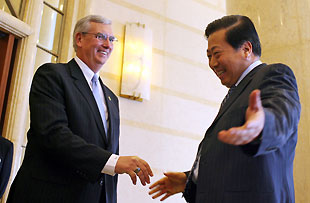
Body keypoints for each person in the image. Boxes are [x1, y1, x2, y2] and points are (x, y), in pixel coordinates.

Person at [149, 15, 301, 203]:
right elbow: (232, 163)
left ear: (246, 49)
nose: (212, 63)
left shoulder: (273, 74)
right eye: (208, 56)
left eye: (217, 53)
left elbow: (282, 115)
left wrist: (260, 125)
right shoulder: (236, 91)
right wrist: (193, 179)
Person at [7, 15, 153, 203]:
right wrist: (114, 162)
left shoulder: (111, 98)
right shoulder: (52, 76)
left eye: (111, 39)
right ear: (79, 39)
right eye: (100, 36)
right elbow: (54, 135)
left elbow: (108, 152)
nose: (108, 45)